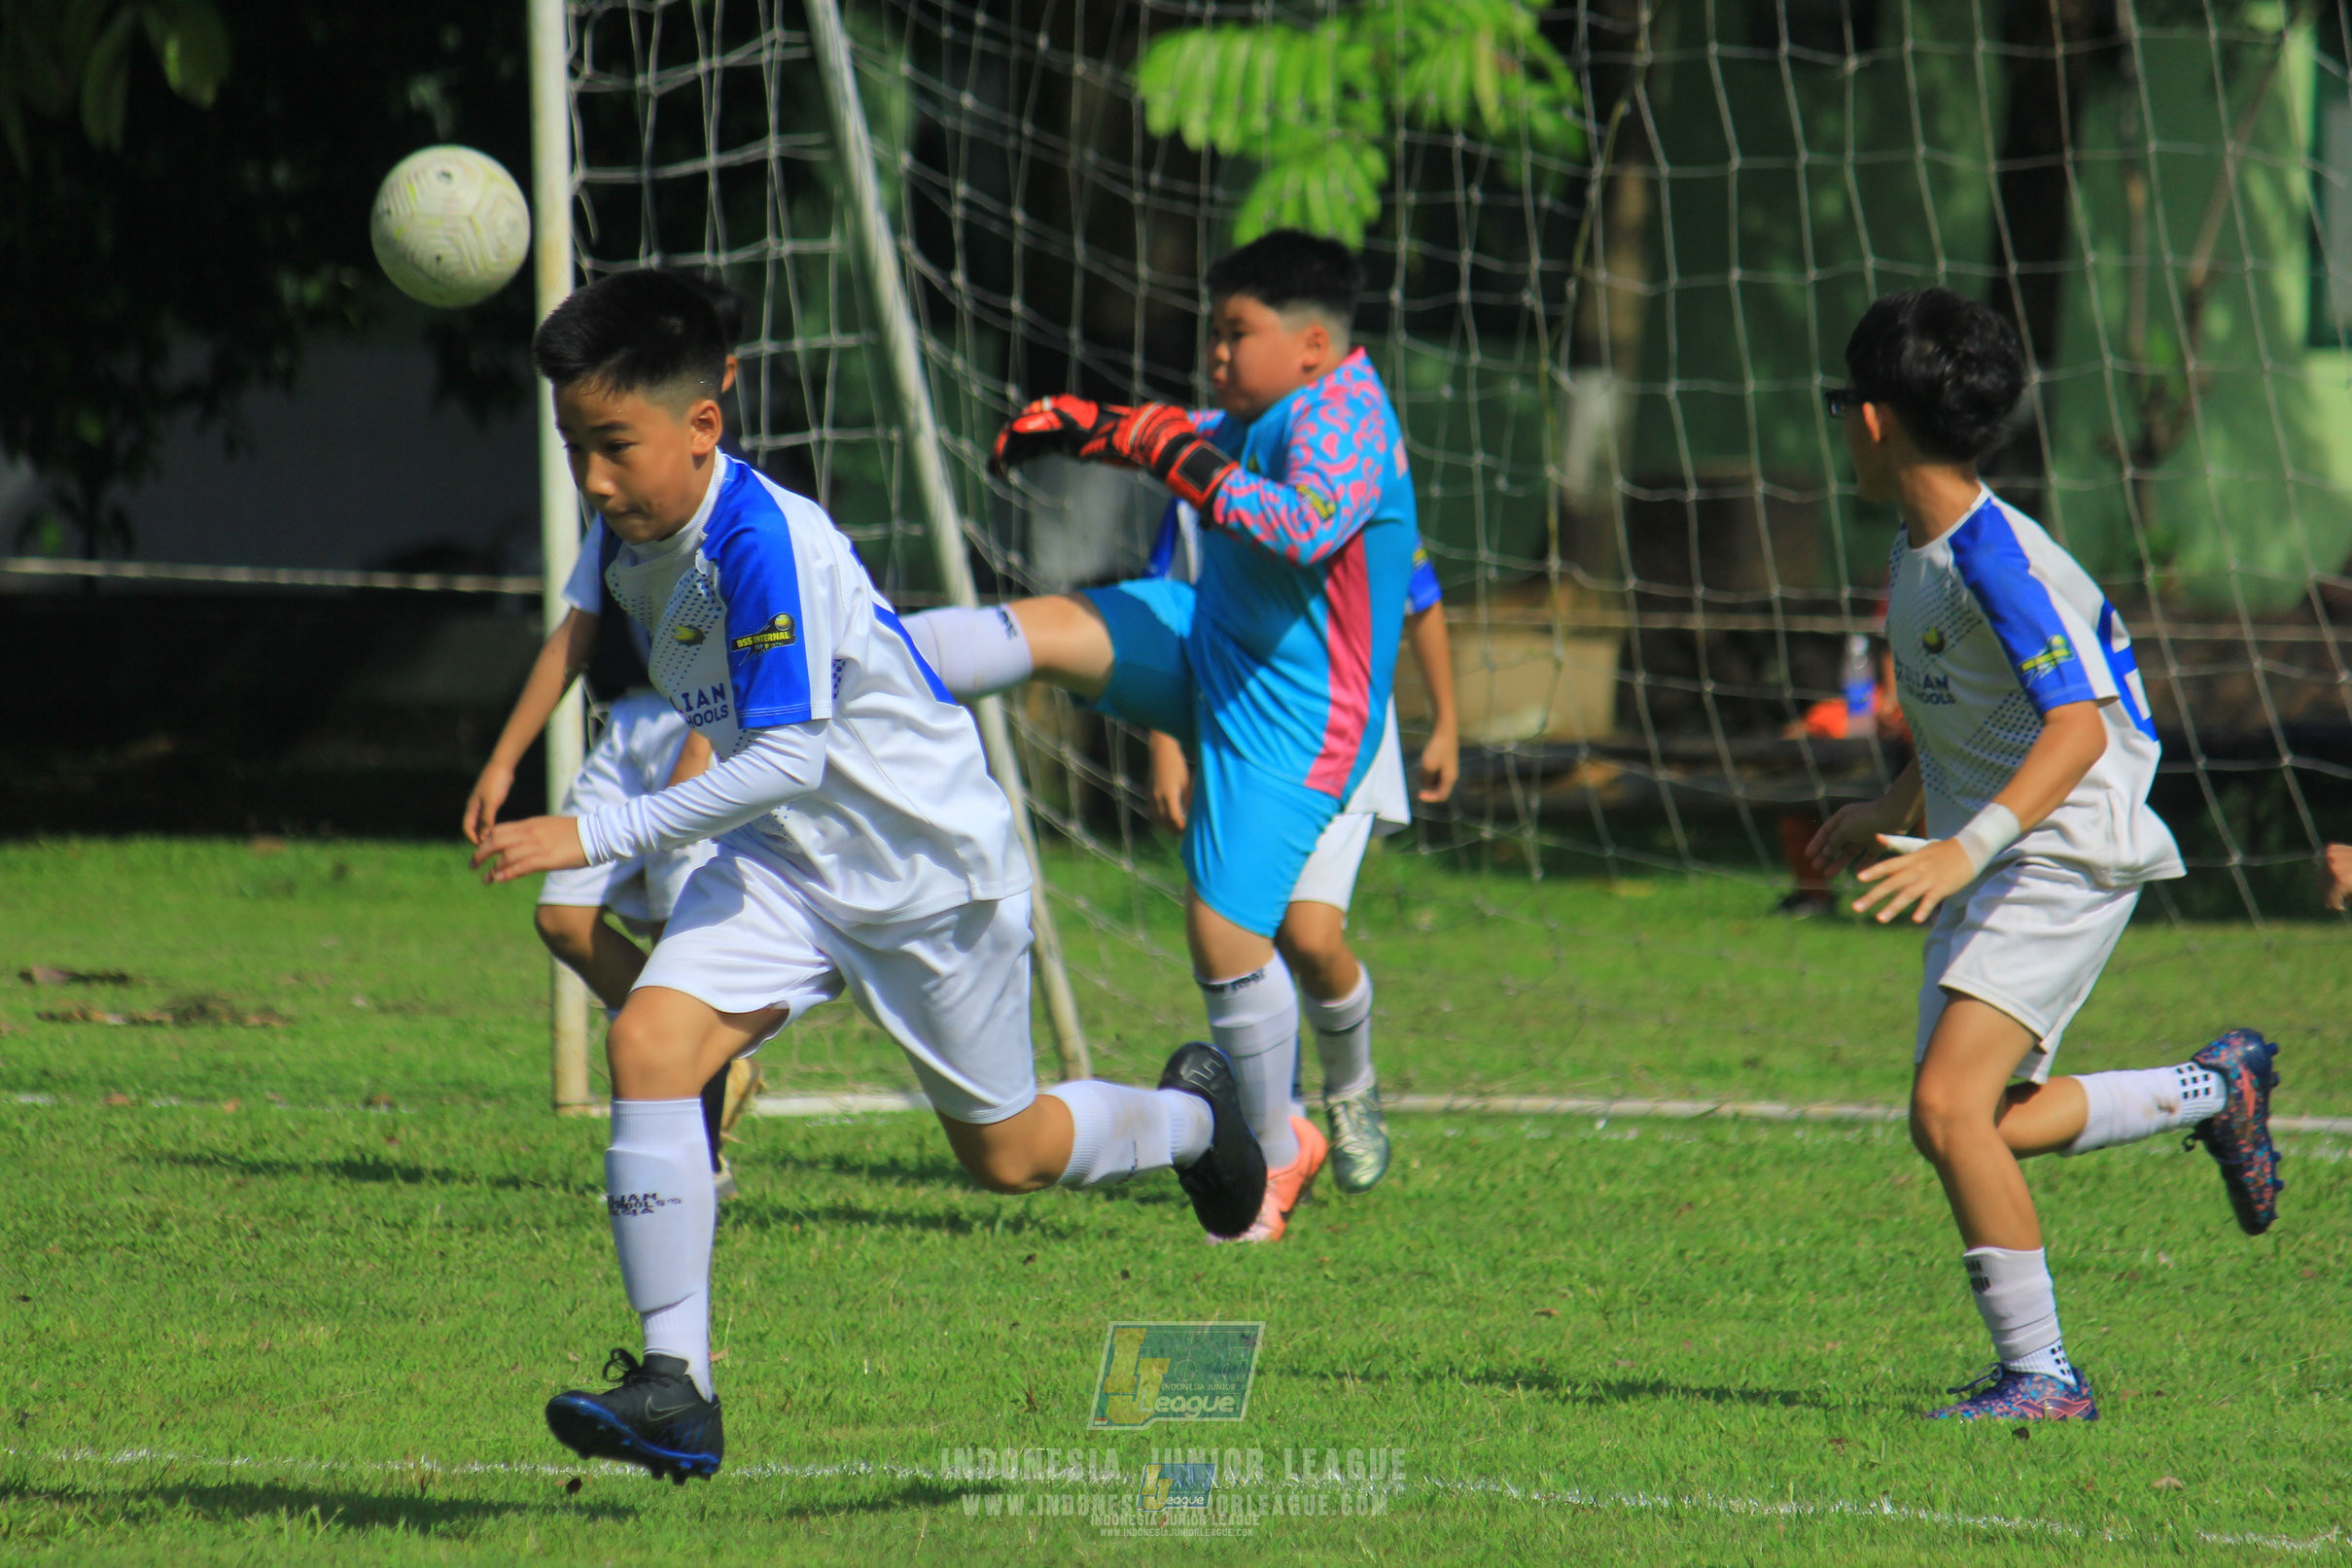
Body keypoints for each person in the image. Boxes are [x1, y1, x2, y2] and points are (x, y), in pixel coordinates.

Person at [471, 268, 1267, 1482]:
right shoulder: (630, 524)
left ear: (703, 426)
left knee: (1007, 1154)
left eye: (613, 446)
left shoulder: (762, 542)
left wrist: (598, 832)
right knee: (650, 1043)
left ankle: (1197, 1116)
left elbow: (787, 756)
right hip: (782, 863)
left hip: (927, 876)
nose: (591, 478)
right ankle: (677, 1386)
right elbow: (732, 746)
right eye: (575, 446)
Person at [1808, 288, 2283, 1422]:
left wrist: (1959, 848)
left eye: (1840, 405)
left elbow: (2072, 730)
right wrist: (1890, 799)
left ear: (1871, 418)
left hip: (2062, 842)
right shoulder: (1922, 546)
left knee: (1947, 1109)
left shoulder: (1991, 561)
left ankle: (2043, 1377)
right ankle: (2212, 1088)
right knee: (1979, 1118)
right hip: (2010, 841)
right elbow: (1971, 712)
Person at [902, 229, 1421, 1243]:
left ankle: (1274, 1153)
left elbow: (1299, 527)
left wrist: (1161, 449)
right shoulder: (1264, 410)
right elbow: (1188, 432)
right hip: (1206, 637)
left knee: (1231, 939)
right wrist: (1098, 426)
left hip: (1295, 715)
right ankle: (850, 665)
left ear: (1313, 346)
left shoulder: (1351, 416)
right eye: (1213, 332)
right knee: (1045, 629)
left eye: (1236, 333)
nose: (1215, 353)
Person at [1141, 520, 1459, 1202]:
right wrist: (1165, 746)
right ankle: (1277, 1136)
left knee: (1310, 938)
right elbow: (1163, 613)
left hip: (1342, 738)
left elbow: (1420, 597)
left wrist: (1446, 724)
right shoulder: (1194, 488)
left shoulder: (1352, 473)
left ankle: (1351, 1087)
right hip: (1242, 745)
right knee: (1247, 939)